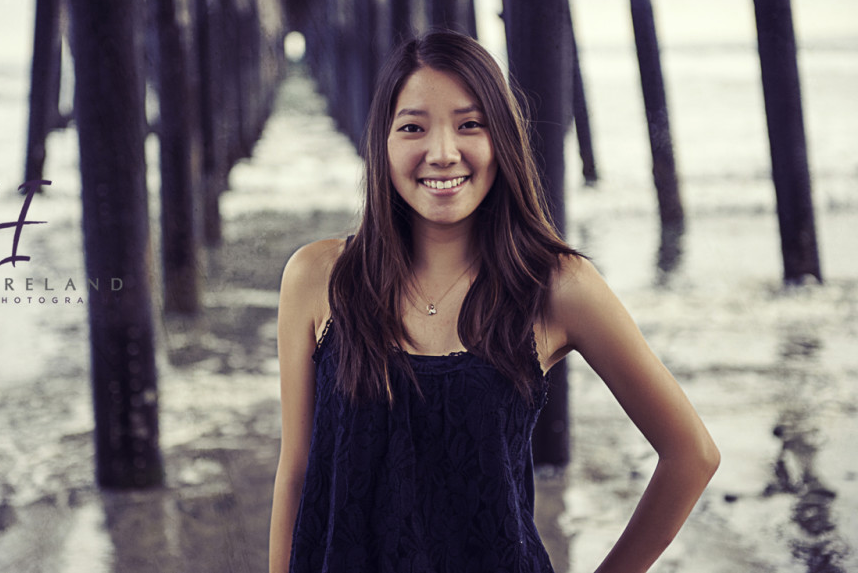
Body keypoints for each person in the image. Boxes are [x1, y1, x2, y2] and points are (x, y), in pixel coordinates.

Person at [268, 30, 719, 573]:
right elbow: (296, 471)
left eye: (469, 125)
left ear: (500, 139)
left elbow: (691, 454)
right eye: (413, 127)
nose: (441, 152)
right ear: (381, 143)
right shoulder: (318, 277)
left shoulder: (554, 285)